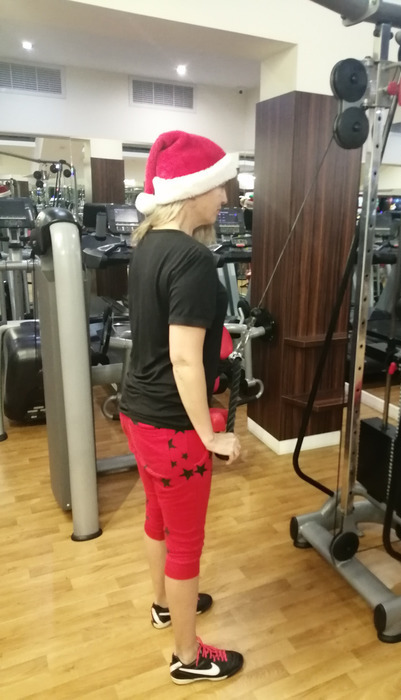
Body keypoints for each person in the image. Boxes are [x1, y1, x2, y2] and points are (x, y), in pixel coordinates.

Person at [119, 130, 244, 685]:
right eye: (219, 187)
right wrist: (211, 435)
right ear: (193, 190)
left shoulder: (148, 244)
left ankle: (164, 606)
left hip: (136, 411)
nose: (225, 198)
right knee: (186, 542)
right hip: (171, 427)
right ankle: (188, 658)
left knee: (157, 519)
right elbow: (185, 358)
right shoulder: (192, 259)